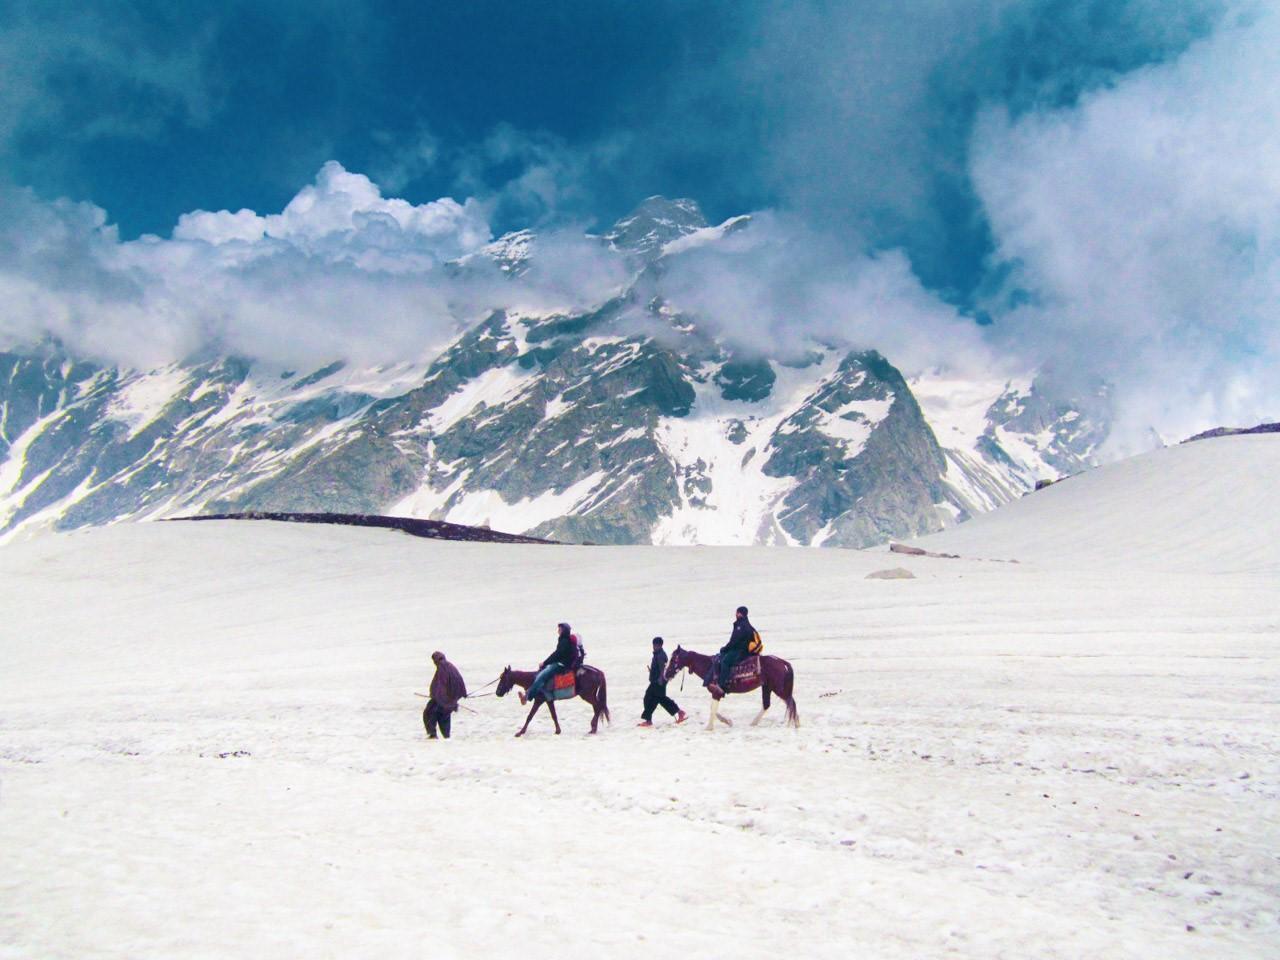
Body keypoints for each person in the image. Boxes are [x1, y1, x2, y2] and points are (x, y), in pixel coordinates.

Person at [522, 622, 581, 704]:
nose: (558, 631)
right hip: (563, 663)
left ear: (564, 631)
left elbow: (557, 654)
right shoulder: (566, 640)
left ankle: (527, 697)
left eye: (560, 629)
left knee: (541, 676)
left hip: (562, 665)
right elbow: (557, 654)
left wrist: (545, 663)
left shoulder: (564, 641)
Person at [639, 636, 687, 727]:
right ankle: (680, 712)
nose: (654, 646)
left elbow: (663, 670)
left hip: (658, 682)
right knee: (662, 700)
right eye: (653, 645)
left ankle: (648, 720)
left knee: (648, 698)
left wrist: (660, 682)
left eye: (656, 645)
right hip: (657, 681)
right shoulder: (658, 654)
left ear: (660, 645)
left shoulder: (661, 655)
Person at [710, 605, 756, 694]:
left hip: (740, 650)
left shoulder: (740, 625)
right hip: (744, 649)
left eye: (737, 612)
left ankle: (722, 685)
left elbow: (734, 641)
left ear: (740, 614)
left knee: (725, 662)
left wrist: (725, 648)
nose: (735, 614)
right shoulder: (747, 624)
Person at [423, 650, 468, 740]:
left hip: (442, 699)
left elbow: (440, 684)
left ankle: (432, 735)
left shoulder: (441, 668)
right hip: (451, 699)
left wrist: (436, 695)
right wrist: (462, 693)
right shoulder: (451, 666)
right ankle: (446, 736)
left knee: (429, 712)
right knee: (444, 716)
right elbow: (460, 680)